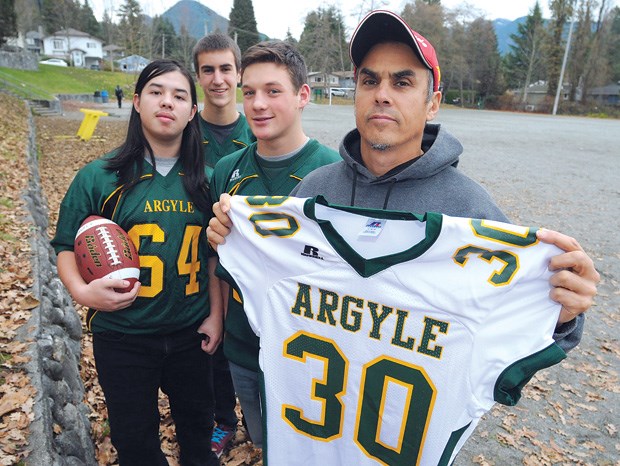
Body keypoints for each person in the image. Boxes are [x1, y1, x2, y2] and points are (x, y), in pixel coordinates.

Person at [208, 11, 599, 361]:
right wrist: (234, 239)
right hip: (310, 426)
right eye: (369, 80)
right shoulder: (314, 189)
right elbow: (273, 282)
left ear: (433, 103)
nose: (381, 94)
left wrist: (562, 313)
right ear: (355, 93)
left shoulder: (469, 208)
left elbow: (522, 333)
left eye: (403, 82)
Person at [52, 59, 220, 466]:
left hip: (191, 333)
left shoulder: (210, 179)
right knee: (136, 443)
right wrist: (81, 290)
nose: (168, 102)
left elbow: (216, 257)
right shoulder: (99, 176)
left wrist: (216, 315)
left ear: (193, 112)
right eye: (157, 92)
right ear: (136, 102)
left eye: (180, 95)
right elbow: (64, 246)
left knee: (199, 435)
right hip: (123, 335)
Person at [205, 40, 342, 451]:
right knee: (264, 439)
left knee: (310, 447)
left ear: (303, 96)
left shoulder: (334, 173)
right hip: (243, 345)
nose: (258, 104)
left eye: (273, 91)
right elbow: (216, 259)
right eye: (248, 92)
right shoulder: (228, 170)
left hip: (311, 353)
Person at [191, 32, 256, 457]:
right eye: (208, 70)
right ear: (197, 76)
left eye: (225, 69)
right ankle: (223, 419)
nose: (218, 79)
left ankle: (257, 417)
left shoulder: (257, 127)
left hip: (244, 264)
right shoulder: (182, 127)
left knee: (251, 339)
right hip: (193, 260)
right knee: (209, 347)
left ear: (237, 73)